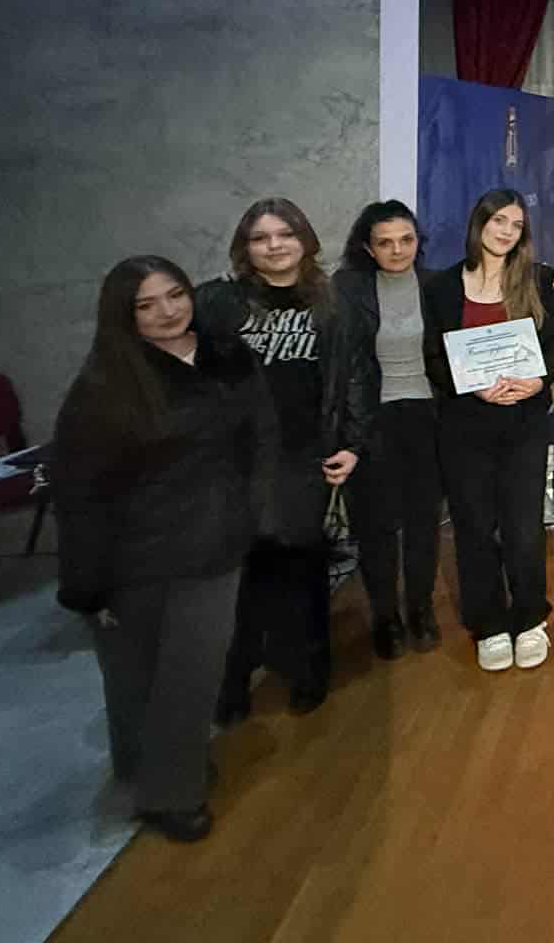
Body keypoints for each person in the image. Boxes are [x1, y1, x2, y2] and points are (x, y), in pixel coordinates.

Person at [54, 258, 263, 843]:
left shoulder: (225, 357)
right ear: (123, 315)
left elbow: (254, 440)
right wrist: (86, 586)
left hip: (212, 546)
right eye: (146, 305)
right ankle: (152, 781)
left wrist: (252, 510)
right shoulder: (104, 386)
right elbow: (80, 494)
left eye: (175, 295)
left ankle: (171, 790)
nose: (168, 311)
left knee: (190, 676)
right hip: (134, 557)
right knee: (133, 679)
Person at [198, 199, 355, 720]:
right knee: (239, 576)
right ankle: (232, 681)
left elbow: (353, 375)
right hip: (235, 460)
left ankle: (308, 671)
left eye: (284, 234)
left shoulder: (330, 302)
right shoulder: (218, 302)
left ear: (304, 239)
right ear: (245, 248)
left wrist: (352, 443)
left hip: (303, 456)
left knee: (302, 571)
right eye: (260, 237)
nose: (274, 245)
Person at [423, 188, 554, 671]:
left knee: (524, 527)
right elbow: (434, 356)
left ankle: (530, 618)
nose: (506, 231)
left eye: (516, 225)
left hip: (524, 421)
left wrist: (537, 381)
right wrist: (474, 387)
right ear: (479, 222)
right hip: (466, 422)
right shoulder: (442, 287)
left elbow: (553, 346)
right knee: (474, 526)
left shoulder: (539, 280)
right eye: (499, 220)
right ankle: (488, 624)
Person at [335, 200, 444, 659]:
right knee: (374, 525)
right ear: (368, 247)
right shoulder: (345, 289)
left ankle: (420, 608)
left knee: (424, 522)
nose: (398, 250)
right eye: (385, 242)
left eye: (406, 240)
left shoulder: (438, 285)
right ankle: (385, 616)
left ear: (418, 241)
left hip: (428, 416)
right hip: (370, 419)